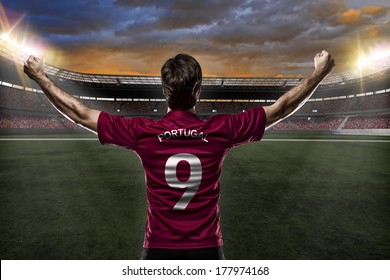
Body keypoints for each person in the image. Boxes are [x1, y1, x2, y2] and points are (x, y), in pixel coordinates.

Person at [24, 51, 335, 259]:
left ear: (164, 90)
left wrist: (40, 77)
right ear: (198, 91)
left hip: (158, 250)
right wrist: (318, 73)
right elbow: (280, 107)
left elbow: (79, 113)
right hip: (207, 251)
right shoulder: (220, 129)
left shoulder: (143, 132)